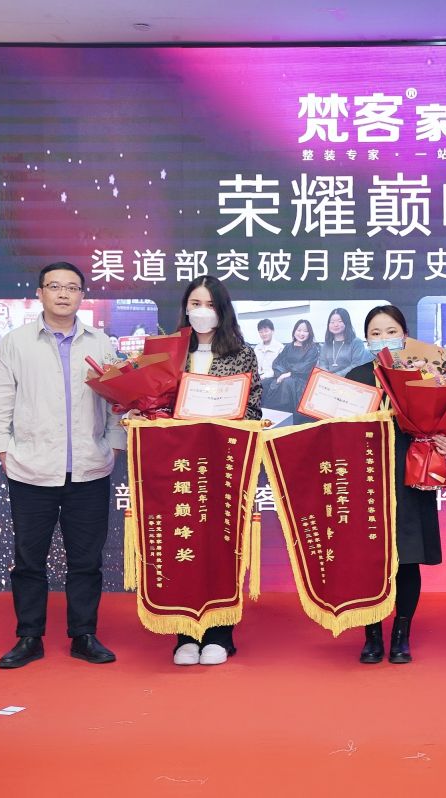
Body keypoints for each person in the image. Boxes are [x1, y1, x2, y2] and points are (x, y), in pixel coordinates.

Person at [0, 261, 126, 669]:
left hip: (89, 470)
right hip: (31, 470)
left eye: (72, 287)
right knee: (29, 560)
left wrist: (113, 446)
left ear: (82, 296)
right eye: (55, 286)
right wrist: (4, 451)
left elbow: (117, 402)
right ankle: (29, 637)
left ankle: (84, 635)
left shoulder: (101, 344)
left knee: (87, 561)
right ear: (39, 293)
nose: (63, 294)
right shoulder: (17, 343)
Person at [344, 305, 446, 664]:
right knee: (371, 561)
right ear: (365, 339)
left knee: (408, 559)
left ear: (405, 335)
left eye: (391, 331)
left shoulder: (424, 374)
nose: (384, 339)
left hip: (410, 477)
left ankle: (401, 635)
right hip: (367, 480)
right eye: (375, 333)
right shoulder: (355, 377)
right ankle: (372, 635)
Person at [161, 276, 262, 666]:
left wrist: (223, 419)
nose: (201, 311)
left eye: (209, 304)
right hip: (179, 464)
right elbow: (156, 403)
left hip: (223, 464)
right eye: (195, 303)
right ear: (185, 308)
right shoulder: (168, 351)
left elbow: (252, 407)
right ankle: (185, 634)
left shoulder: (242, 353)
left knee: (222, 546)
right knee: (182, 546)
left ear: (222, 310)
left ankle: (221, 633)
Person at [261, 318, 319, 414]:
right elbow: (277, 363)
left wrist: (288, 374)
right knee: (264, 383)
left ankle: (284, 414)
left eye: (305, 331)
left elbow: (306, 367)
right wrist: (282, 374)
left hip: (301, 380)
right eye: (299, 330)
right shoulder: (288, 346)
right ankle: (266, 414)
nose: (301, 333)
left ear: (309, 333)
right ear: (294, 331)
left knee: (287, 383)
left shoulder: (312, 348)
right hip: (283, 376)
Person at [317, 307, 370, 376]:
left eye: (340, 321)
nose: (335, 325)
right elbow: (322, 364)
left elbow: (356, 365)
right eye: (332, 322)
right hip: (329, 380)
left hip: (349, 379)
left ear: (346, 323)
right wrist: (327, 376)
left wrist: (336, 376)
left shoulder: (356, 342)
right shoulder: (326, 344)